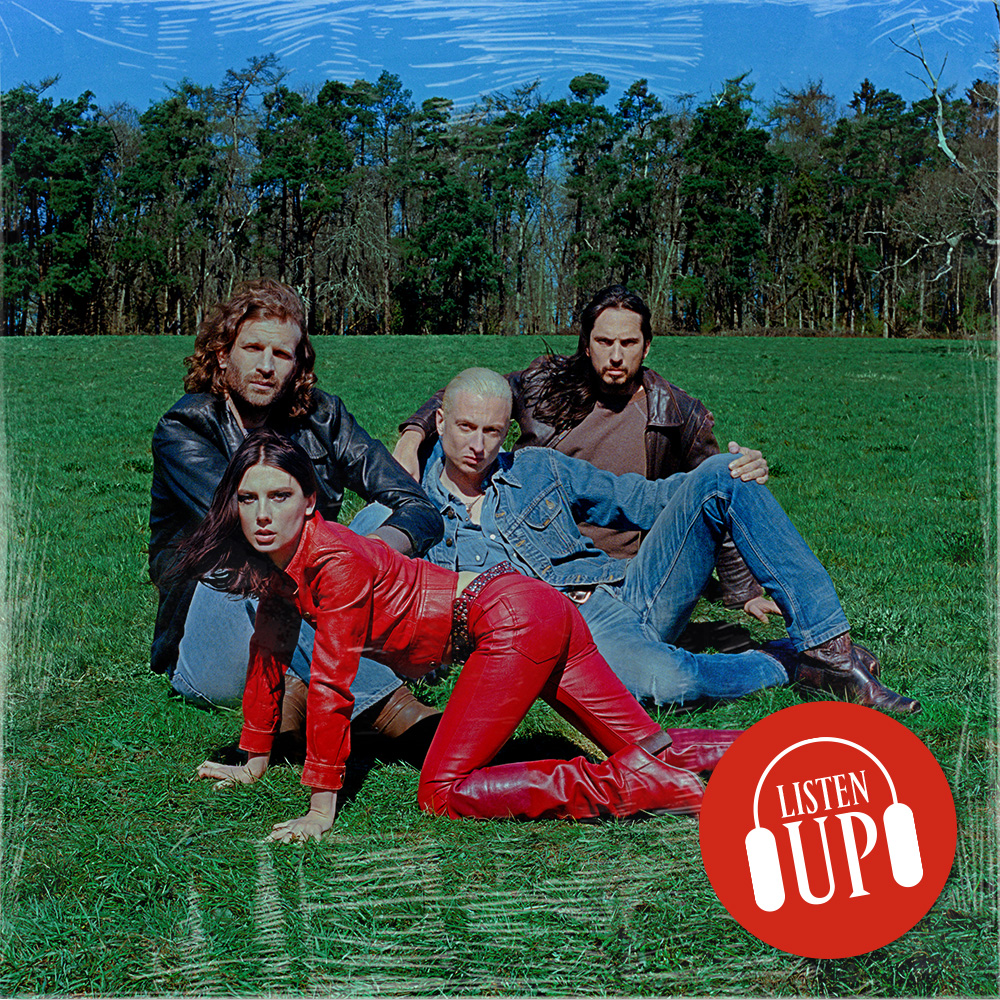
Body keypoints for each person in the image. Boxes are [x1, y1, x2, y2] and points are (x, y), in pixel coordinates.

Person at [178, 428, 743, 841]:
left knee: (442, 792)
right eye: (248, 499)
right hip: (533, 607)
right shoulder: (280, 567)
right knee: (651, 742)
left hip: (512, 621)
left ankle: (637, 787)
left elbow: (330, 684)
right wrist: (253, 759)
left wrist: (321, 807)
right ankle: (760, 749)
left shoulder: (335, 561)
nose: (261, 515)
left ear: (310, 503)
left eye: (279, 497)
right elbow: (269, 655)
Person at [353, 368, 921, 715]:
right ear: (440, 420)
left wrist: (723, 469)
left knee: (724, 474)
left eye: (492, 431)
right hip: (567, 640)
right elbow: (354, 568)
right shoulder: (409, 510)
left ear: (508, 431)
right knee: (669, 681)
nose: (478, 444)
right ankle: (793, 663)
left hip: (618, 596)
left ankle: (832, 648)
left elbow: (642, 500)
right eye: (465, 427)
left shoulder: (538, 469)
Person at [149, 278, 444, 746]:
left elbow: (418, 506)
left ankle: (297, 687)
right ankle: (390, 707)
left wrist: (372, 554)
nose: (266, 366)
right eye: (253, 348)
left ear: (297, 363)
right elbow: (246, 536)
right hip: (216, 637)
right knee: (260, 550)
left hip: (308, 612)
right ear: (223, 355)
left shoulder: (323, 417)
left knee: (374, 523)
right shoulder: (184, 430)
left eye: (282, 354)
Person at [393, 284, 768, 622]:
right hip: (539, 553)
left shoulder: (678, 413)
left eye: (629, 343)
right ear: (587, 345)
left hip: (625, 568)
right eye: (604, 342)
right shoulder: (544, 386)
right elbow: (467, 397)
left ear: (647, 345)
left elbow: (712, 500)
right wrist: (410, 438)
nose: (616, 355)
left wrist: (744, 591)